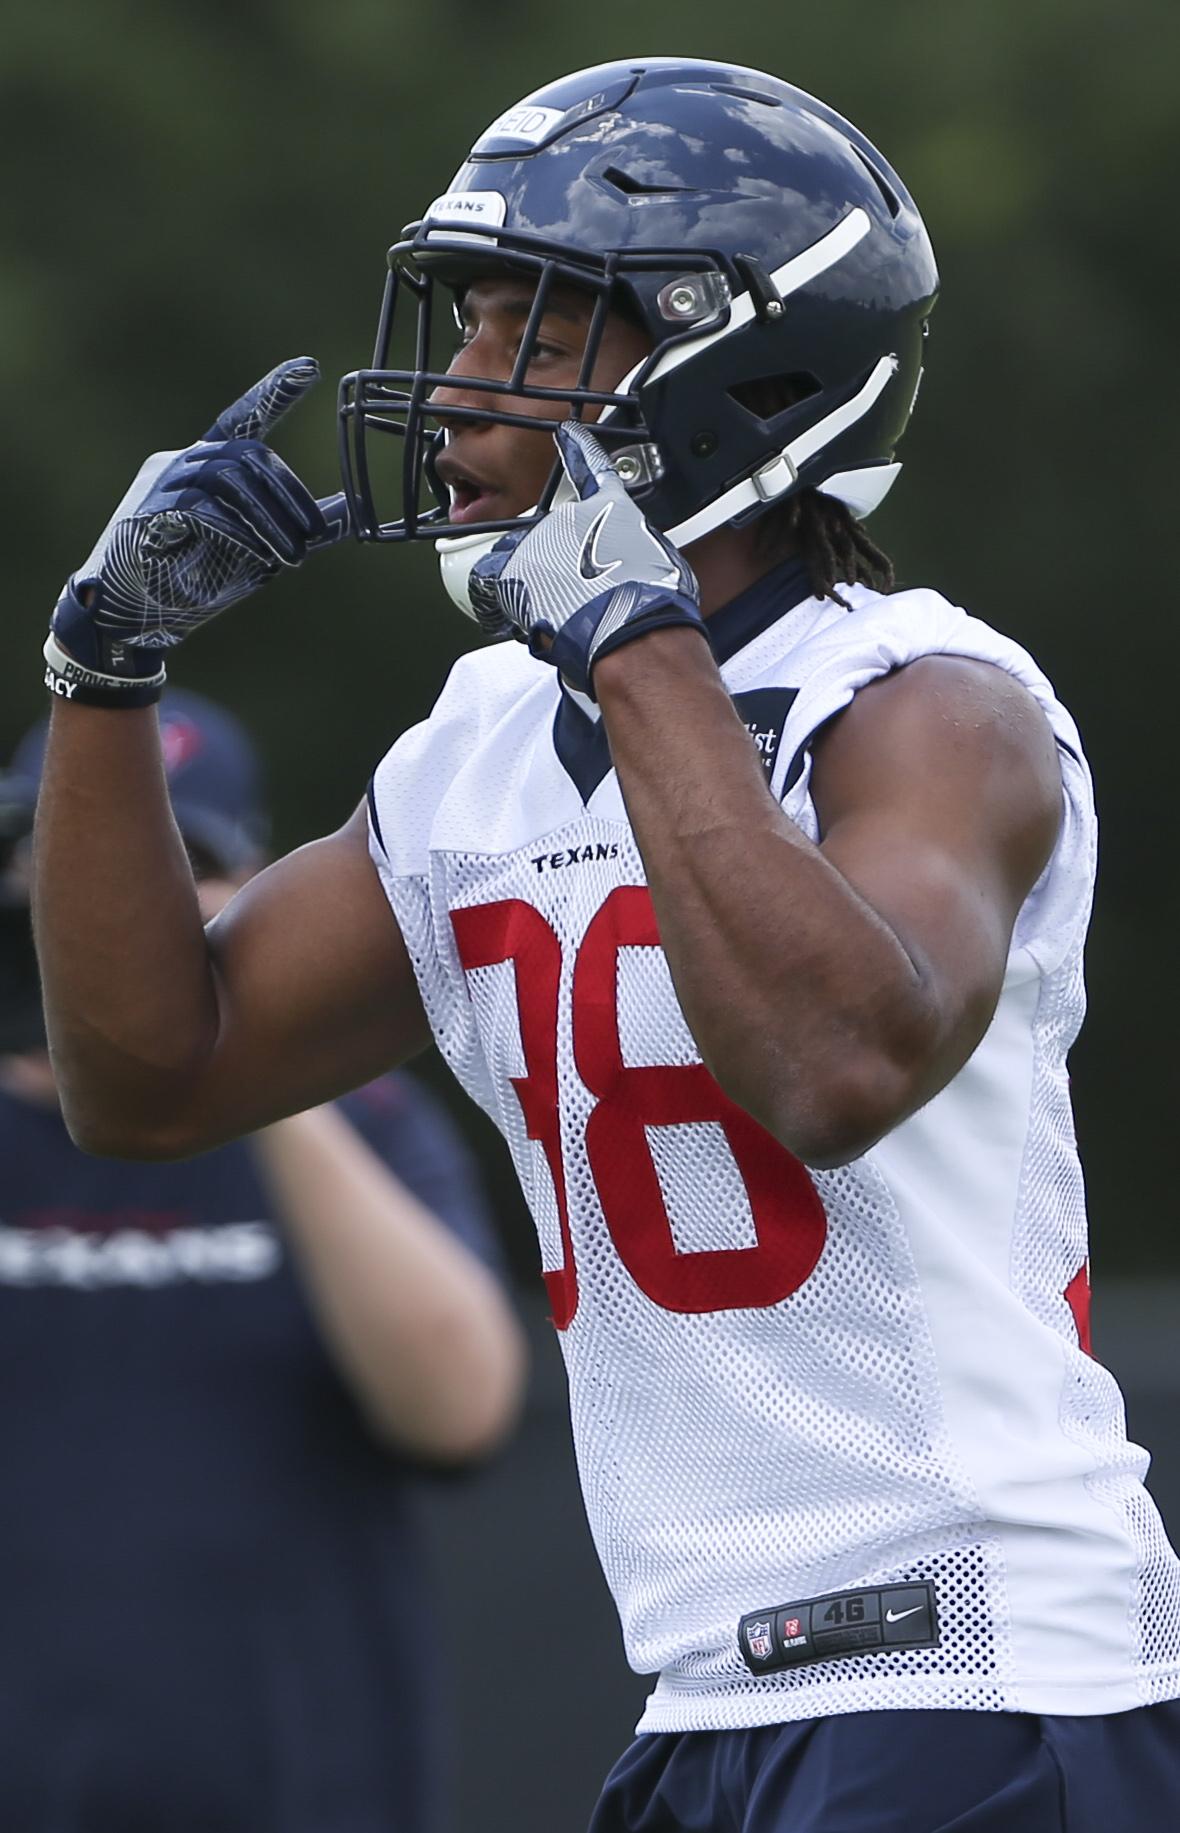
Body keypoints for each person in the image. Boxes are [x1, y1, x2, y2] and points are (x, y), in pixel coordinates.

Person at [28, 53, 1180, 1832]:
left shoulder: (932, 702)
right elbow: (152, 1076)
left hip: (976, 1668)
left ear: (742, 368)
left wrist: (640, 643)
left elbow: (832, 1062)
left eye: (530, 331)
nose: (463, 389)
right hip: (706, 1690)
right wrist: (103, 684)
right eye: (470, 323)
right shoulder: (484, 738)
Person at [0, 689, 524, 1833]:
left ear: (262, 887)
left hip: (308, 1796)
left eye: (183, 868)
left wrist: (238, 1062)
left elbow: (461, 1408)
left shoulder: (370, 1128)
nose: (126, 909)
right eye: (75, 862)